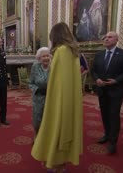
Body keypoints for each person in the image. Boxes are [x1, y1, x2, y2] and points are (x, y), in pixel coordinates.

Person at [31, 22, 83, 172]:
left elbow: (55, 82)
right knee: (66, 130)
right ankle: (61, 165)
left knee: (56, 130)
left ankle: (57, 165)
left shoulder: (60, 51)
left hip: (59, 101)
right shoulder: (73, 52)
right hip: (70, 101)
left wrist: (52, 103)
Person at [91, 32, 123, 154]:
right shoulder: (99, 54)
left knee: (113, 115)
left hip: (116, 90)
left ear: (116, 40)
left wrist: (116, 80)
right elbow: (93, 70)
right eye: (105, 37)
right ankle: (107, 135)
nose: (106, 39)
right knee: (104, 114)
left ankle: (113, 142)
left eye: (109, 37)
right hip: (102, 90)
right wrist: (96, 79)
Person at [29, 47, 51, 138]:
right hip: (38, 97)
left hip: (51, 98)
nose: (46, 58)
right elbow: (30, 83)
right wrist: (37, 89)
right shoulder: (35, 66)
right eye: (43, 56)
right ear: (39, 58)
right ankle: (36, 136)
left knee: (50, 119)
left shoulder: (54, 66)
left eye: (47, 56)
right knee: (37, 120)